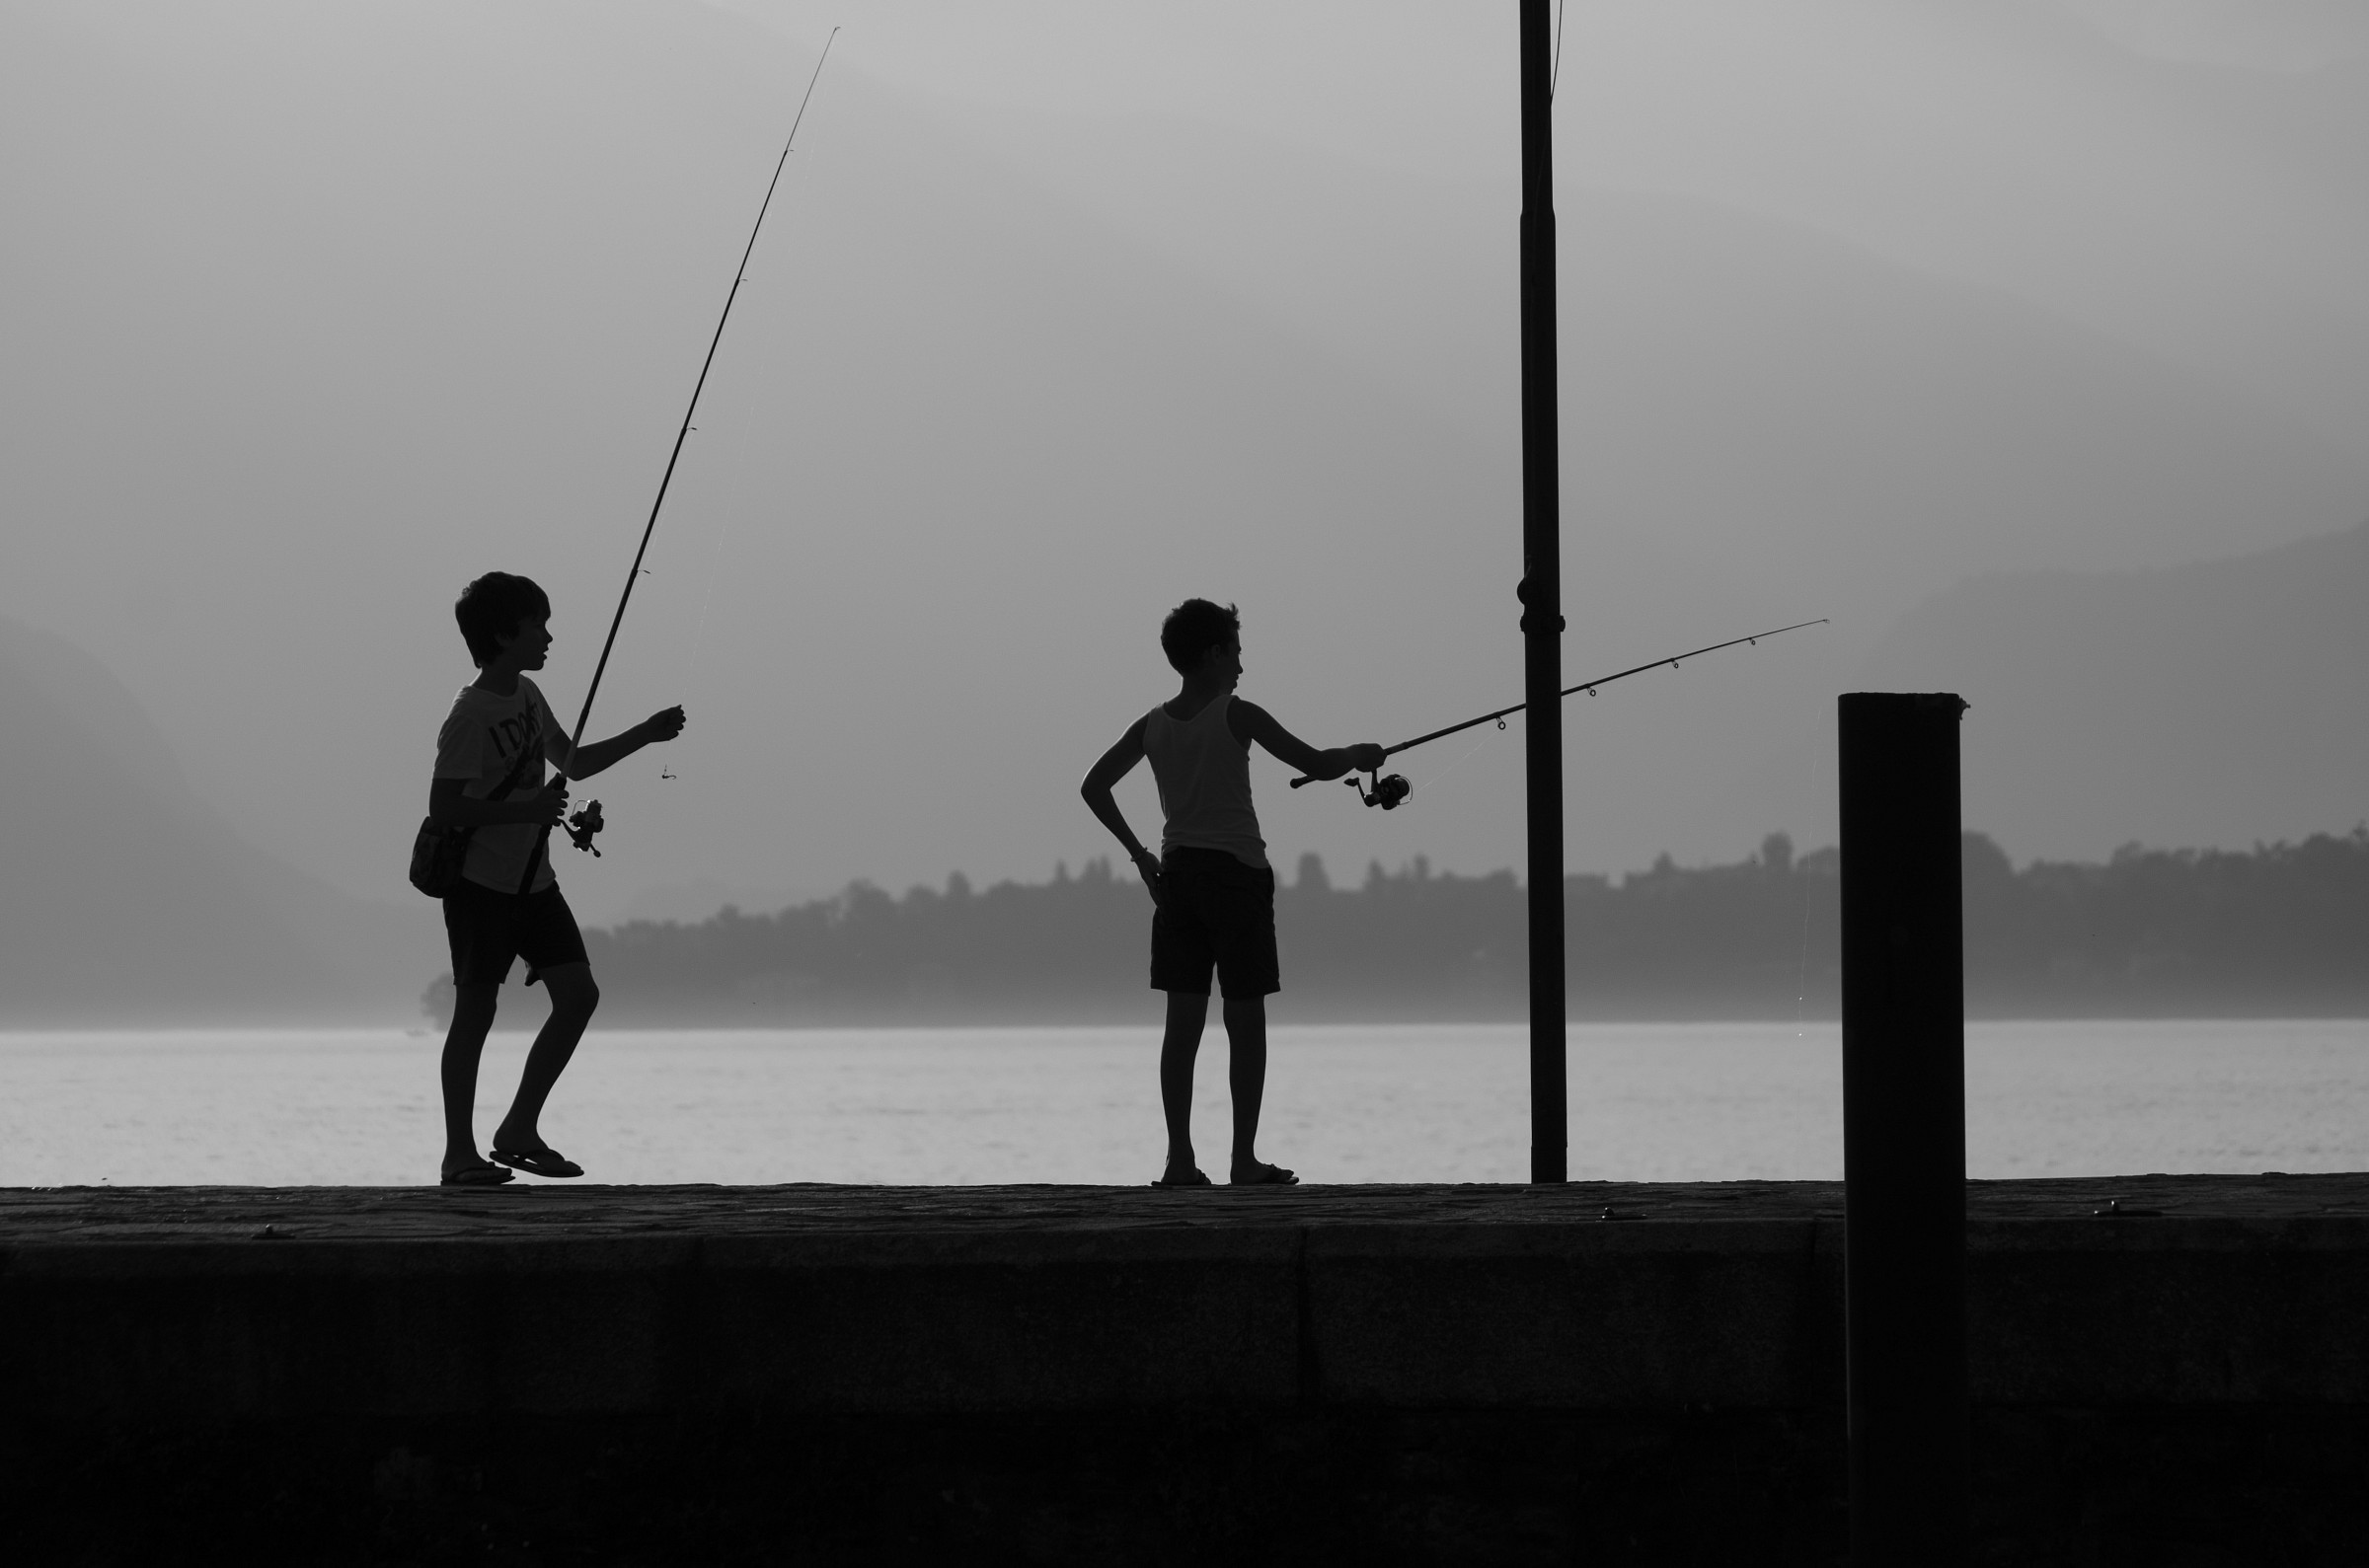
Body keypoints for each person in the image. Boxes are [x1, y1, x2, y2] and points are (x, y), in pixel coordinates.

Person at [1080, 599, 1384, 1188]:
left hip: (1177, 881)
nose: (1242, 665)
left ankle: (1179, 1162)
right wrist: (1360, 756)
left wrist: (1141, 856)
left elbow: (1094, 787)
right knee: (1244, 1022)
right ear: (1214, 653)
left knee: (1182, 1027)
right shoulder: (1237, 714)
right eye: (1237, 652)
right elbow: (1318, 764)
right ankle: (1243, 1161)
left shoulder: (1151, 726)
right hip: (1236, 880)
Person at [429, 571, 685, 1186]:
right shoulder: (469, 716)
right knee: (475, 1012)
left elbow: (573, 762)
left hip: (534, 885)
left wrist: (646, 735)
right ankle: (458, 1155)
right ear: (501, 634)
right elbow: (444, 808)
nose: (548, 636)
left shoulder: (528, 697)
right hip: (480, 887)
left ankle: (519, 1127)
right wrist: (526, 810)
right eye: (537, 624)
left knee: (579, 996)